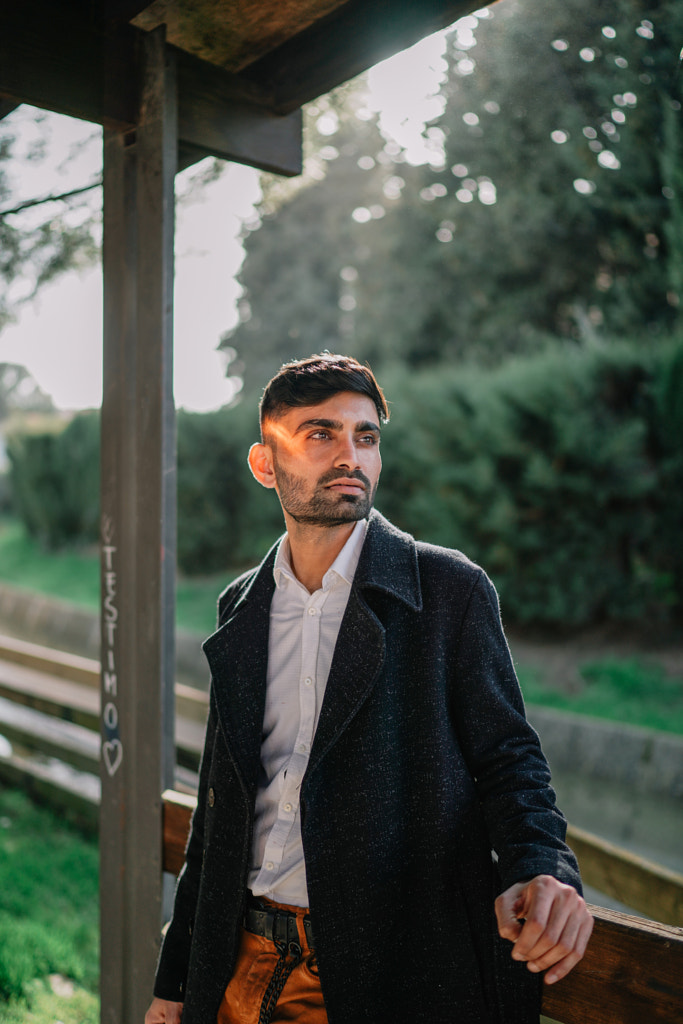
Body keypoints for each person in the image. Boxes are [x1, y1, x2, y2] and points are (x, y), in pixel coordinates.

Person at [145, 353, 593, 1024]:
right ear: (266, 463)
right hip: (238, 967)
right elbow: (219, 815)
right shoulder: (241, 605)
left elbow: (510, 761)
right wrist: (175, 985)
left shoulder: (448, 591)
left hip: (383, 971)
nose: (349, 454)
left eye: (365, 436)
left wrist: (541, 867)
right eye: (319, 434)